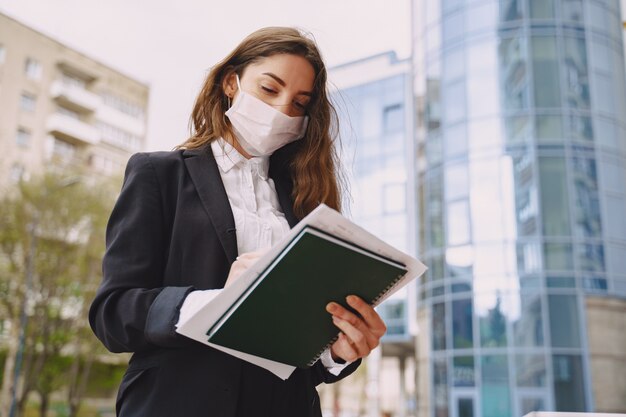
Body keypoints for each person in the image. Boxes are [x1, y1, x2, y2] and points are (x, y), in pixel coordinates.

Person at [89, 26, 387, 417]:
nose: (282, 110)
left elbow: (299, 359)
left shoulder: (305, 204)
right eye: (269, 89)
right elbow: (113, 314)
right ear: (231, 82)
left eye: (300, 103)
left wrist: (336, 352)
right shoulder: (159, 174)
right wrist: (222, 304)